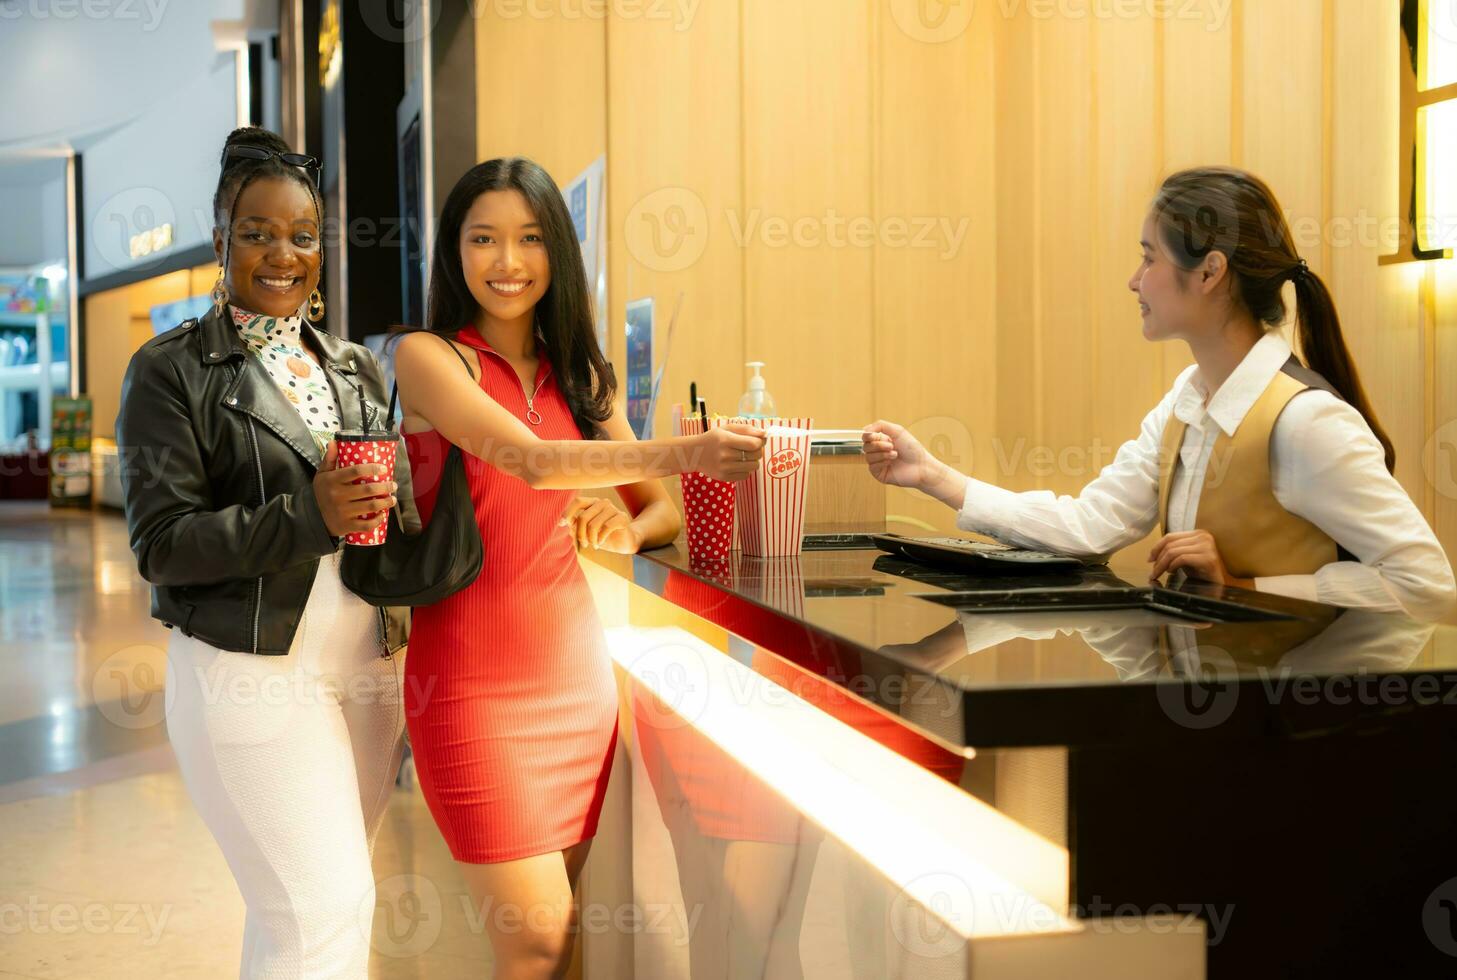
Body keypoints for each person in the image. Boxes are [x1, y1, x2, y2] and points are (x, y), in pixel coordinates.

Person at [391, 156, 766, 977]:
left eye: (528, 239)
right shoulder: (427, 358)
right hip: (467, 690)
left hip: (574, 685)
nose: (506, 261)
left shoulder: (579, 377)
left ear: (557, 251)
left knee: (563, 947)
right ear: (453, 251)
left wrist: (621, 532)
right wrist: (694, 447)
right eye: (482, 238)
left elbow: (656, 506)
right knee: (533, 943)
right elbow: (529, 462)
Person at [863, 166, 1455, 622]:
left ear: (1209, 272)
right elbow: (1092, 527)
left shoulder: (1305, 423)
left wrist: (1247, 590)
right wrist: (933, 476)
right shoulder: (1188, 401)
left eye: (1149, 258)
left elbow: (1426, 586)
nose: (1134, 280)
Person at [116, 125, 415, 978]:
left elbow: (392, 510)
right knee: (322, 907)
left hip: (366, 669)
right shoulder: (171, 370)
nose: (282, 253)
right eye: (257, 232)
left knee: (303, 912)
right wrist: (308, 515)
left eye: (302, 235)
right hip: (244, 673)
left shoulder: (357, 368)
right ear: (220, 242)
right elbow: (162, 543)